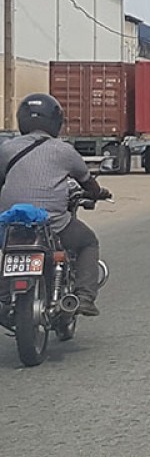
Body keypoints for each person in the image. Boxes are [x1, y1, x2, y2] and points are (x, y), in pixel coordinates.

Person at [0, 94, 111, 316]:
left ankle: (4, 295)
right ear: (55, 122)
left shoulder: (6, 149)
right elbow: (88, 182)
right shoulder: (64, 151)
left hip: (11, 224)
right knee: (88, 242)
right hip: (52, 224)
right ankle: (85, 297)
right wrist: (97, 194)